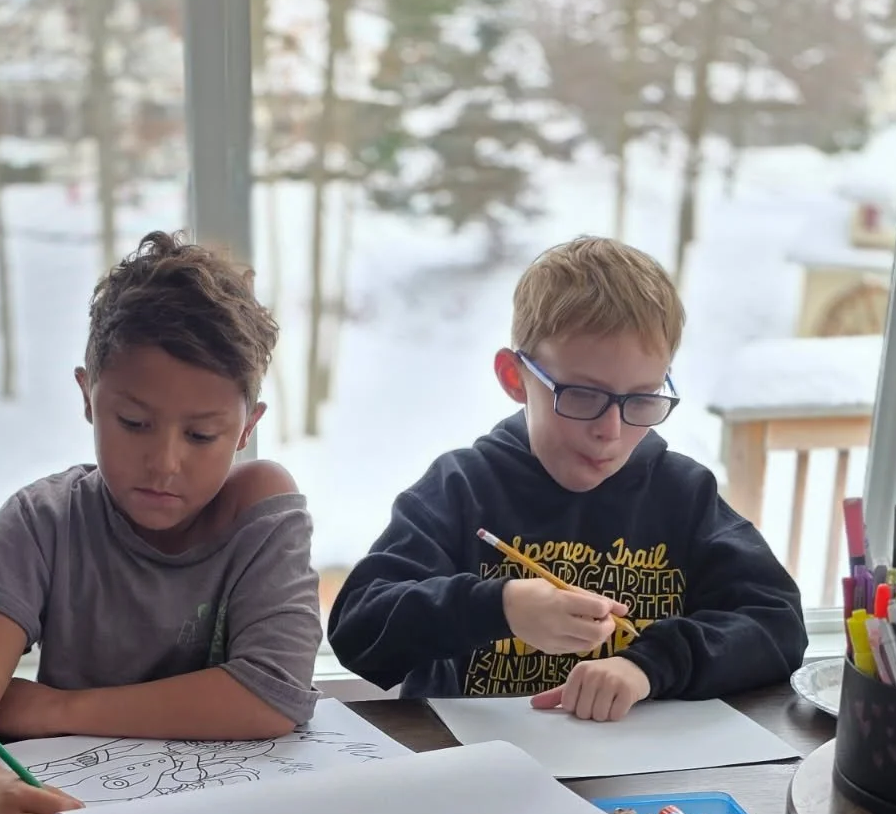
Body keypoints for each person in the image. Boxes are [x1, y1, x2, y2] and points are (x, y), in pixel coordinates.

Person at [0, 231, 322, 814]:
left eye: (202, 434)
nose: (164, 462)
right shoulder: (42, 522)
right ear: (88, 396)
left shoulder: (260, 506)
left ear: (248, 427)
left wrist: (55, 709)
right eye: (134, 423)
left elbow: (272, 696)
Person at [327, 235, 806, 721]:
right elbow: (357, 629)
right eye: (582, 396)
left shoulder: (682, 494)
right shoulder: (461, 487)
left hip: (636, 777)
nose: (610, 432)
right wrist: (501, 607)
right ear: (516, 379)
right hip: (475, 771)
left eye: (641, 400)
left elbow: (778, 624)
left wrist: (649, 666)